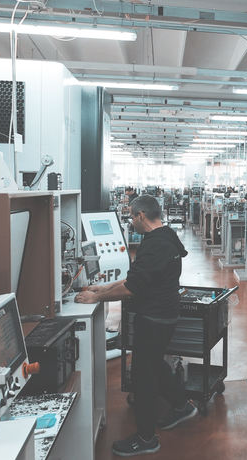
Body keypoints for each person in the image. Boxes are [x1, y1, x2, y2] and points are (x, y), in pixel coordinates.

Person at [76, 195, 197, 456]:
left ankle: (146, 438)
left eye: (132, 217)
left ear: (141, 215)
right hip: (165, 314)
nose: (131, 222)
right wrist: (104, 288)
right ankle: (182, 405)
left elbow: (132, 288)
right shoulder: (167, 236)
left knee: (143, 377)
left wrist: (96, 298)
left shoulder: (154, 245)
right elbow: (139, 278)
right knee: (155, 364)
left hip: (154, 318)